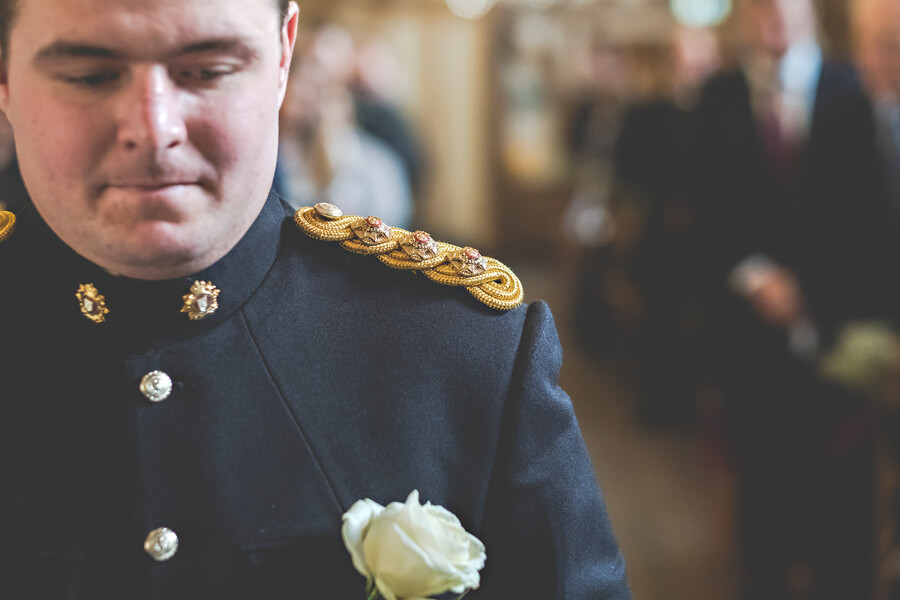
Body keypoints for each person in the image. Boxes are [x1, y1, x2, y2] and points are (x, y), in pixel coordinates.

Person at [0, 0, 631, 598]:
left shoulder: (464, 352)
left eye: (207, 71)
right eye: (89, 76)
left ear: (282, 59)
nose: (154, 128)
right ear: (4, 78)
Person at [693, 0, 890, 597]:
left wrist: (818, 293)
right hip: (747, 319)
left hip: (836, 322)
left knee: (840, 491)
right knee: (759, 484)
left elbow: (872, 211)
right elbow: (702, 208)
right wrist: (755, 278)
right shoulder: (718, 97)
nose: (772, 9)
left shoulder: (853, 86)